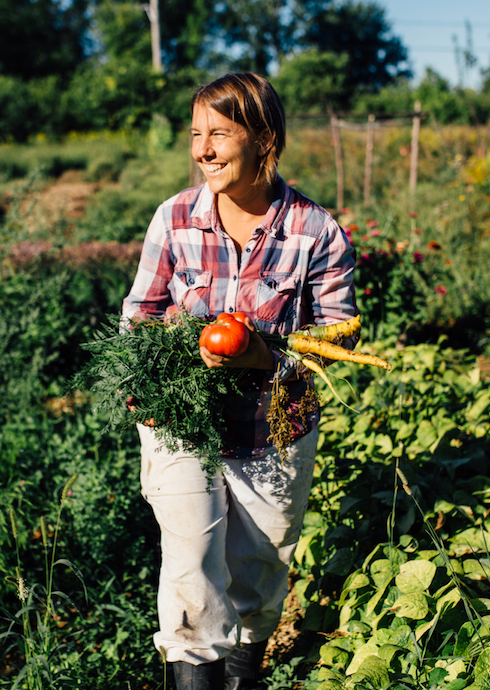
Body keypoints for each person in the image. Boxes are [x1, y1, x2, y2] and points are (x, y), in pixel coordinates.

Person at [122, 73, 358, 689]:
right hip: (181, 426)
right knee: (191, 574)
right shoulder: (173, 217)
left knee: (257, 581)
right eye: (196, 134)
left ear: (264, 139)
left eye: (219, 134)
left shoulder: (316, 232)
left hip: (271, 433)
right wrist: (161, 364)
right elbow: (137, 315)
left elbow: (337, 341)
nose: (203, 149)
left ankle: (246, 671)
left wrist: (264, 362)